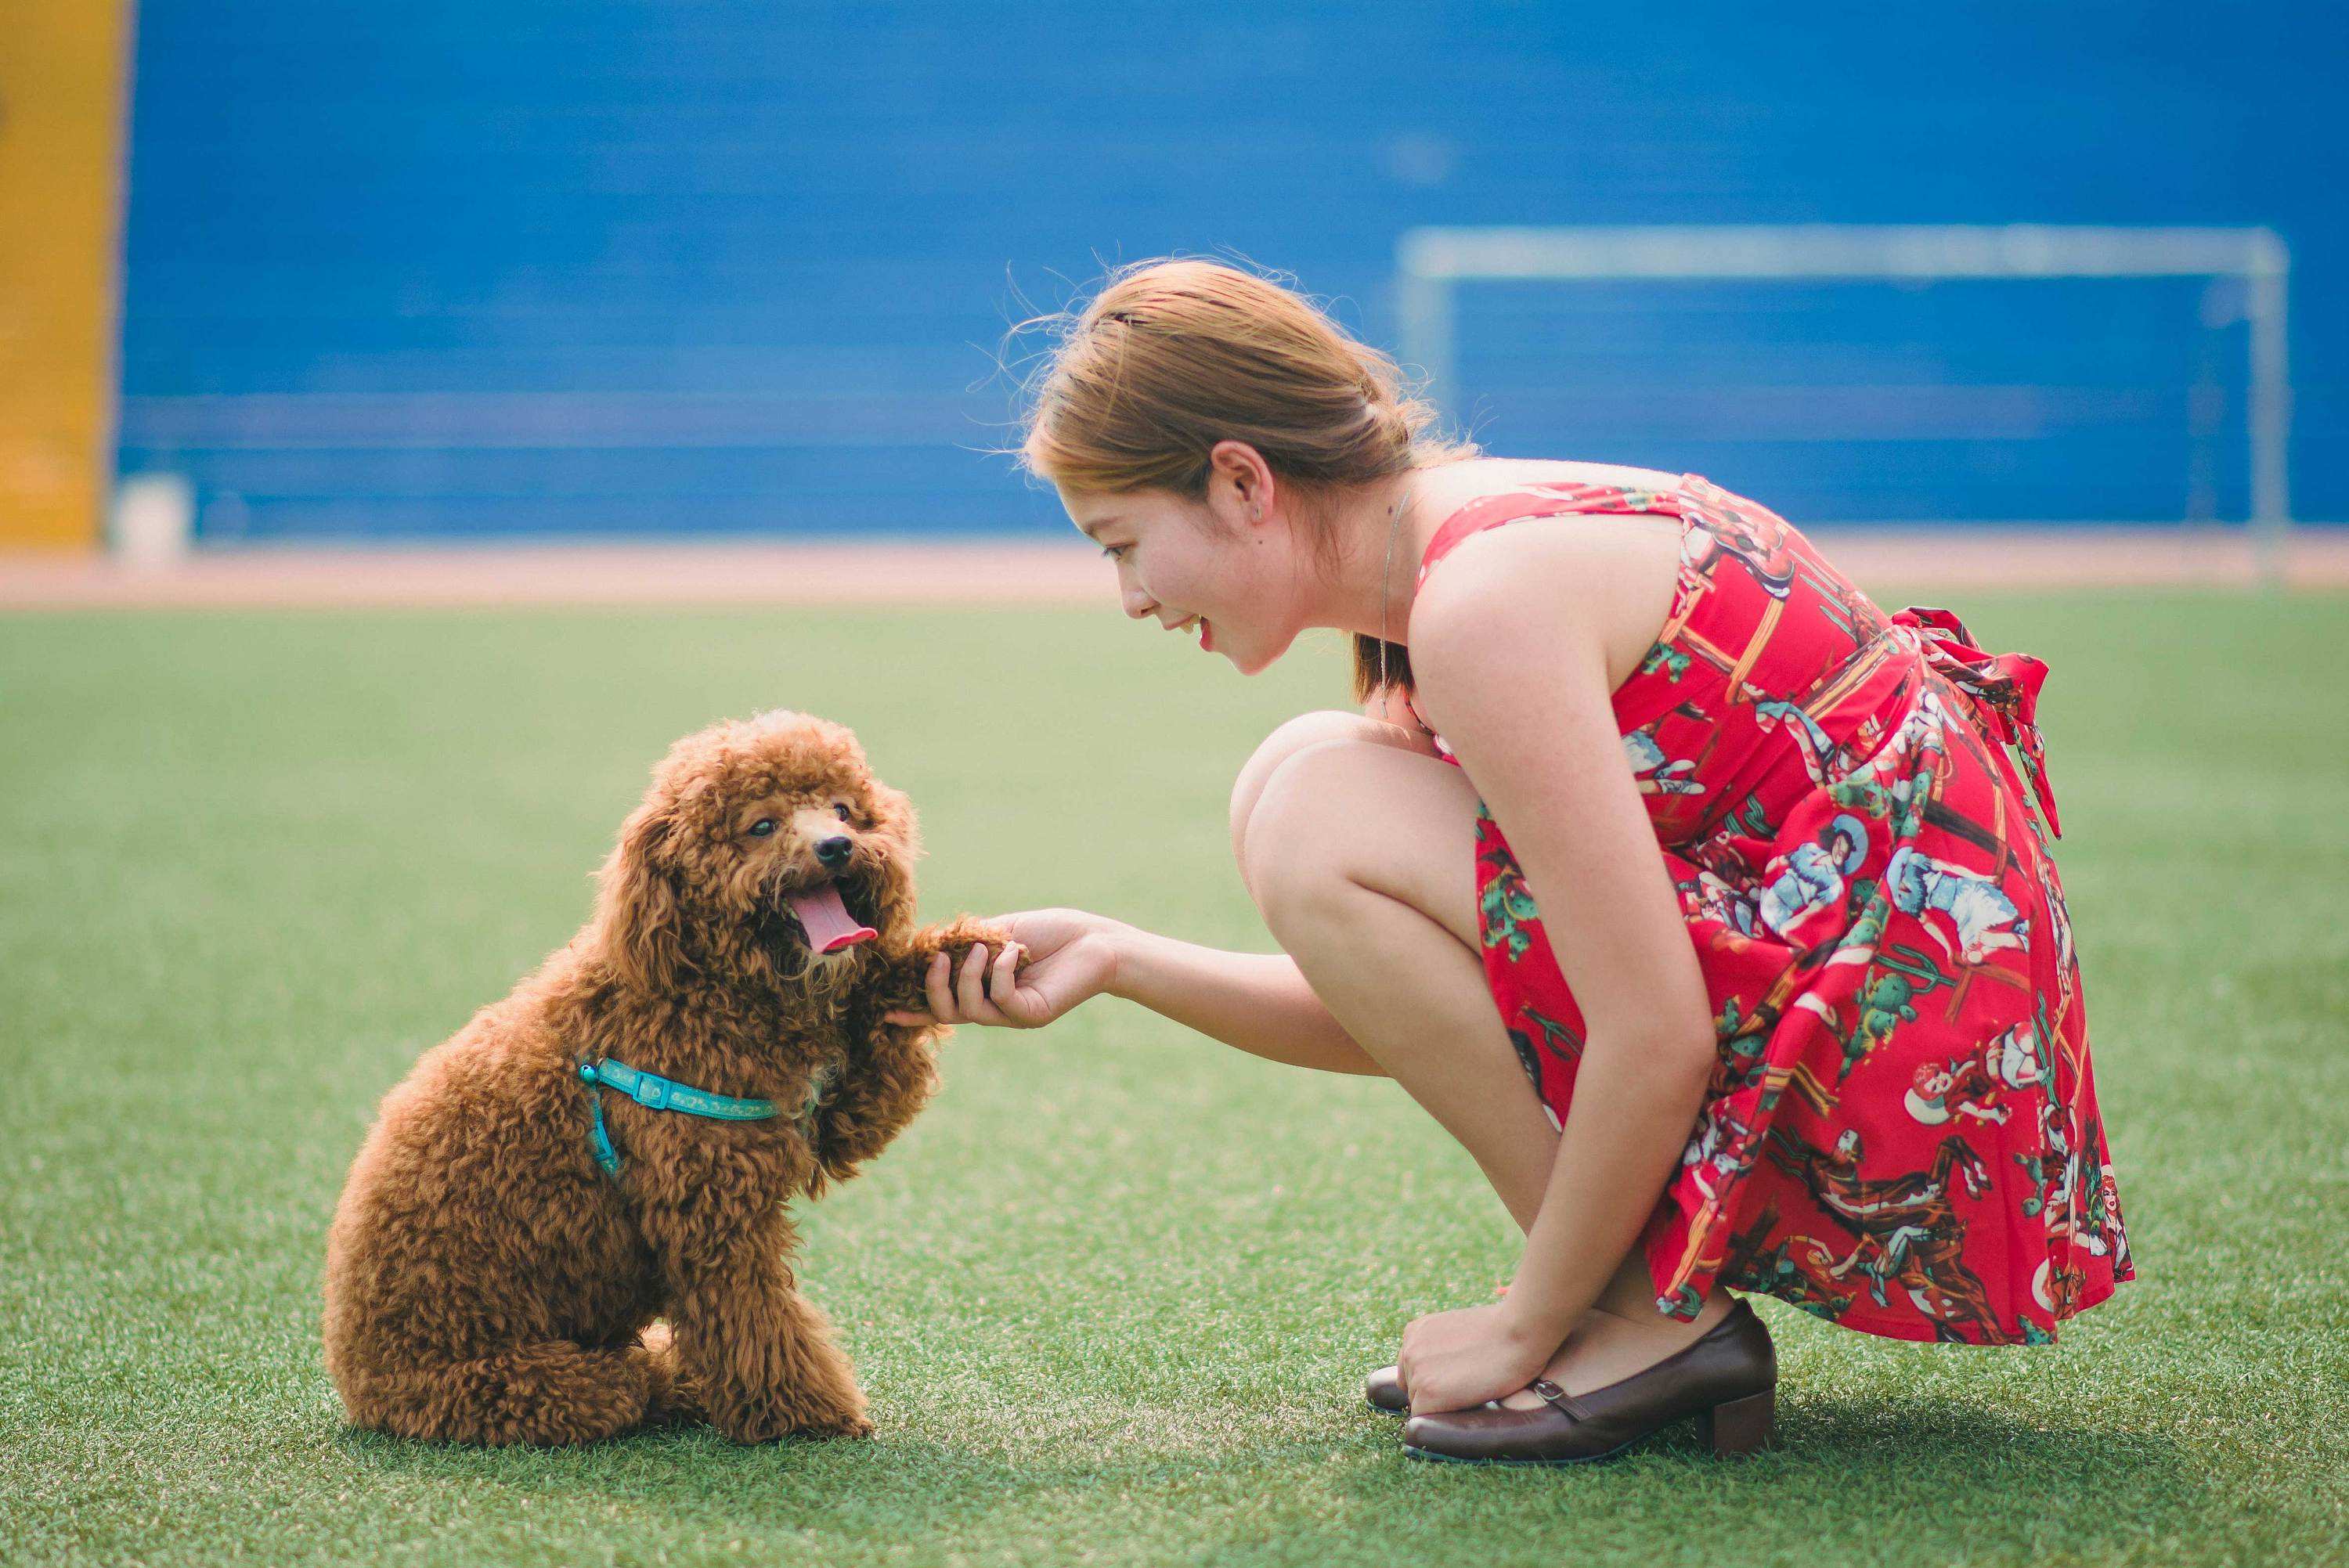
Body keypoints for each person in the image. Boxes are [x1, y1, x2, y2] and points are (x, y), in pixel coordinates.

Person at [885, 258, 2134, 1465]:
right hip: (1902, 1006)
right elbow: (1441, 1009)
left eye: (1120, 542)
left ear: (1242, 481)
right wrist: (1118, 957)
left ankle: (1648, 1320)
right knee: (1297, 778)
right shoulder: (1449, 555)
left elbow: (1655, 1029)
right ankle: (1624, 1306)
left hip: (1921, 1061)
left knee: (1312, 801)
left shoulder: (1480, 607)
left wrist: (1529, 1322)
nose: (1129, 597)